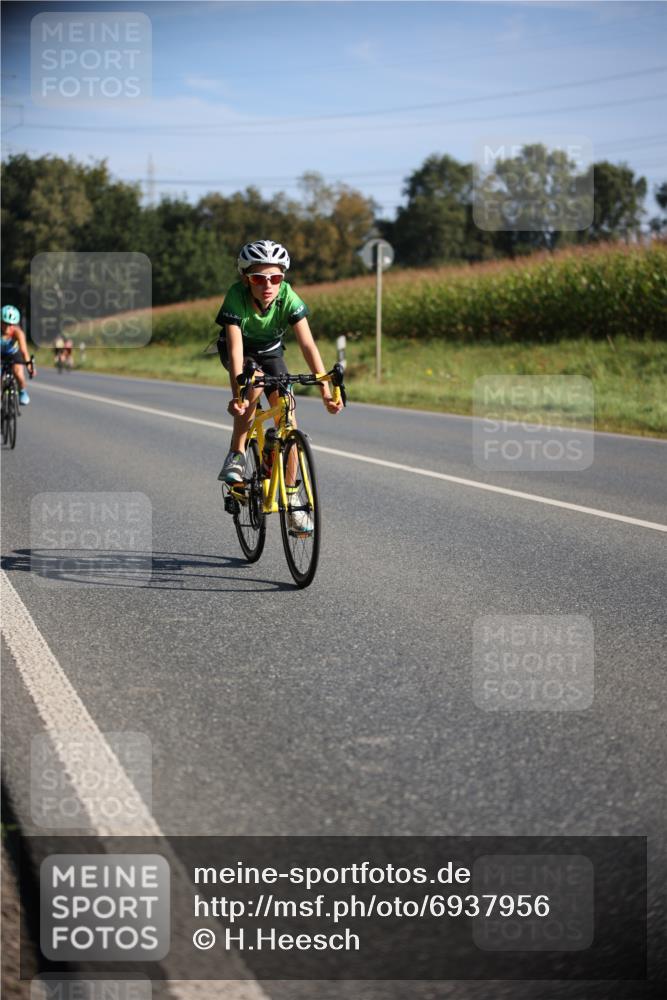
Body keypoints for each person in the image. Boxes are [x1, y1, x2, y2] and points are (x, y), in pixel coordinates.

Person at [215, 240, 342, 517]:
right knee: (255, 385)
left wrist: (325, 391)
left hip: (271, 352)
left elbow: (308, 345)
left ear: (282, 278)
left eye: (275, 277)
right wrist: (237, 394)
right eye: (259, 278)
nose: (267, 285)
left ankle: (293, 496)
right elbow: (236, 350)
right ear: (246, 279)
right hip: (241, 352)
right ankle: (236, 455)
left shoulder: (287, 296)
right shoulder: (236, 296)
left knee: (289, 415)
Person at [1, 305, 34, 404]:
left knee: (18, 372)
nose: (8, 327)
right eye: (5, 323)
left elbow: (24, 351)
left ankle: (22, 391)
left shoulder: (18, 333)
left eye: (11, 324)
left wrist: (29, 366)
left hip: (14, 354)